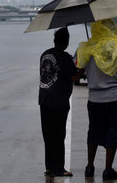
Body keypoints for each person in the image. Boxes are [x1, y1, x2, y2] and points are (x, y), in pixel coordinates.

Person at [76, 19, 117, 180]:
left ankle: (90, 166)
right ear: (112, 29)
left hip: (94, 99)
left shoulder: (87, 50)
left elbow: (80, 69)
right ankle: (107, 169)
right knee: (114, 132)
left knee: (94, 131)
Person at [39, 27, 79, 177]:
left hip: (44, 98)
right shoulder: (65, 57)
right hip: (58, 101)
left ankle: (49, 167)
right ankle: (59, 169)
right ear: (67, 42)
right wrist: (83, 68)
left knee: (48, 135)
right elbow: (74, 78)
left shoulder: (45, 54)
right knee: (58, 134)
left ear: (54, 40)